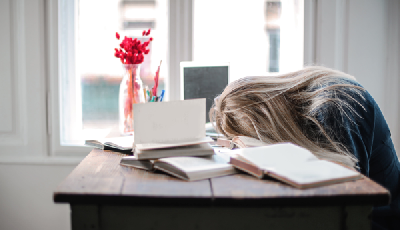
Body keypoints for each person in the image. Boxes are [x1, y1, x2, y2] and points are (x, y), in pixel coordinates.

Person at [210, 66, 400, 230]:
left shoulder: (334, 108)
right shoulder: (307, 100)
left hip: (379, 220)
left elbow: (343, 203)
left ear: (266, 124)